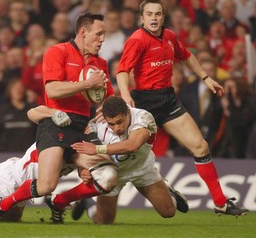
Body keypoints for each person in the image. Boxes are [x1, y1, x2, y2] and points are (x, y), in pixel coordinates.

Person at [115, 0, 248, 216]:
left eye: (158, 13)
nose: (154, 18)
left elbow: (187, 57)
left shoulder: (169, 36)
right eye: (149, 14)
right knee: (123, 157)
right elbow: (122, 71)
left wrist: (206, 78)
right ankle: (86, 193)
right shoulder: (137, 39)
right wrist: (125, 94)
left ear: (163, 16)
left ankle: (220, 202)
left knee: (201, 147)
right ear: (142, 18)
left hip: (168, 100)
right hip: (143, 103)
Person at [0, 12, 118, 224]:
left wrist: (107, 109)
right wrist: (86, 84)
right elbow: (52, 90)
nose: (102, 39)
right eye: (99, 34)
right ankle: (3, 205)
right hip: (56, 123)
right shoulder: (58, 51)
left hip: (83, 127)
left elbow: (108, 99)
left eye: (104, 35)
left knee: (108, 177)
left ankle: (60, 202)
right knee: (46, 185)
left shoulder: (100, 63)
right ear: (83, 32)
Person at [65, 96, 190, 224]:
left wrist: (98, 149)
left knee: (168, 212)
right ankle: (89, 203)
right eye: (111, 124)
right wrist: (83, 170)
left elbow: (133, 145)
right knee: (103, 221)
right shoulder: (95, 126)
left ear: (128, 113)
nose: (116, 128)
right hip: (113, 174)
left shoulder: (143, 117)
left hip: (142, 168)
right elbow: (84, 152)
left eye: (120, 122)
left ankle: (170, 192)